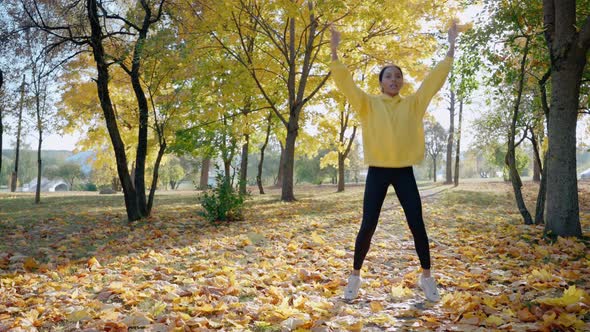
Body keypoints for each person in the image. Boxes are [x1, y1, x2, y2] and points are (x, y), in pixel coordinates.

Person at [329, 22, 459, 302]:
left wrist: (450, 48)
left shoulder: (413, 104)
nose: (394, 80)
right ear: (381, 82)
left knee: (417, 223)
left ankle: (426, 277)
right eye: (389, 76)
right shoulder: (367, 104)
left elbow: (433, 82)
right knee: (368, 225)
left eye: (398, 76)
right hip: (377, 172)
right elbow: (346, 84)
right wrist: (334, 51)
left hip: (404, 172)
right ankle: (354, 277)